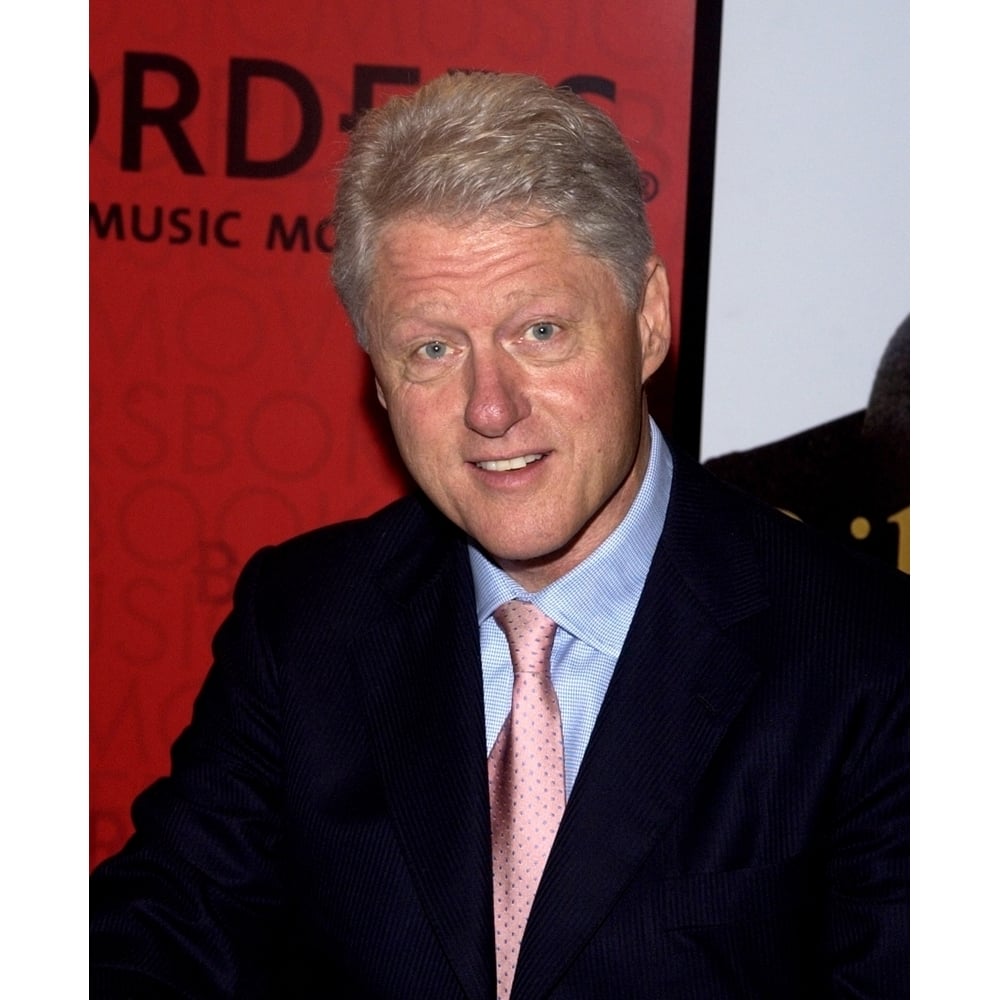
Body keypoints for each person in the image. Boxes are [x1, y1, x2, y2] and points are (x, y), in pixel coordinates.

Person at [90, 71, 909, 998]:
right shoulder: (305, 623)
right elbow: (161, 936)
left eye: (541, 331)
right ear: (378, 377)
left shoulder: (873, 656)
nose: (490, 407)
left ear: (647, 322)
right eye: (433, 348)